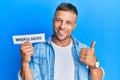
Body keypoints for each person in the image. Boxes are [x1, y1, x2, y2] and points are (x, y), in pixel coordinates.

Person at [18, 2, 104, 80]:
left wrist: (94, 65)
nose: (62, 26)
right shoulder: (37, 49)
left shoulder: (84, 50)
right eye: (59, 20)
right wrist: (24, 62)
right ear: (53, 21)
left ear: (74, 26)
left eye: (68, 22)